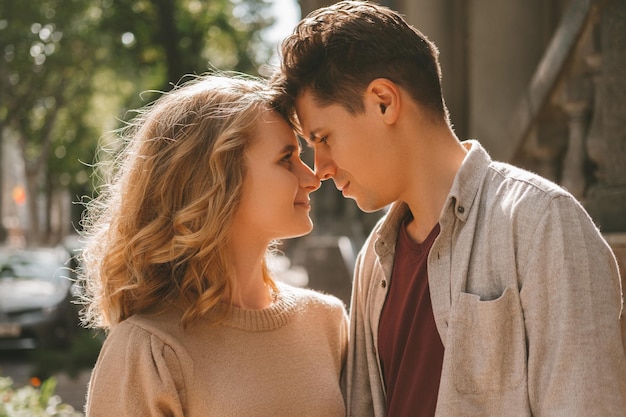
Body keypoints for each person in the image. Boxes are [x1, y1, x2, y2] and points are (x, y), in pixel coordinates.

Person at [271, 1, 626, 416]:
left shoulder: (543, 223)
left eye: (324, 137)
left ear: (384, 102)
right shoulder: (374, 259)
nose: (322, 169)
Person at [78, 74, 348, 417]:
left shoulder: (327, 323)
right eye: (285, 159)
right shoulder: (148, 351)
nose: (311, 178)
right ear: (215, 182)